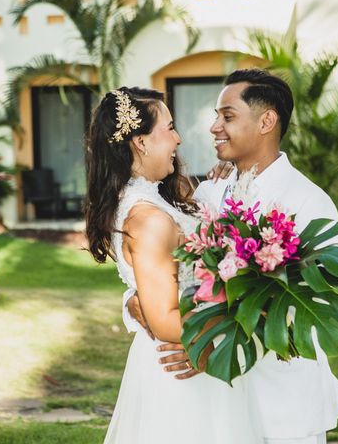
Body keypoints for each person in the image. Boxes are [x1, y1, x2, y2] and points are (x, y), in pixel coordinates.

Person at [125, 69, 338, 444]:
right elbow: (165, 266)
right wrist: (133, 301)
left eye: (227, 116)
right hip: (218, 408)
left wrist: (210, 348)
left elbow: (310, 311)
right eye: (217, 116)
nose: (214, 127)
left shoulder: (309, 203)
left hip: (282, 401)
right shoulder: (208, 195)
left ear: (266, 121)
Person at [85, 87, 262, 444]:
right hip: (182, 368)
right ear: (140, 142)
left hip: (190, 357)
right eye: (169, 128)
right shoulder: (148, 217)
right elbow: (165, 319)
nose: (178, 139)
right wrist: (232, 322)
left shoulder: (155, 197)